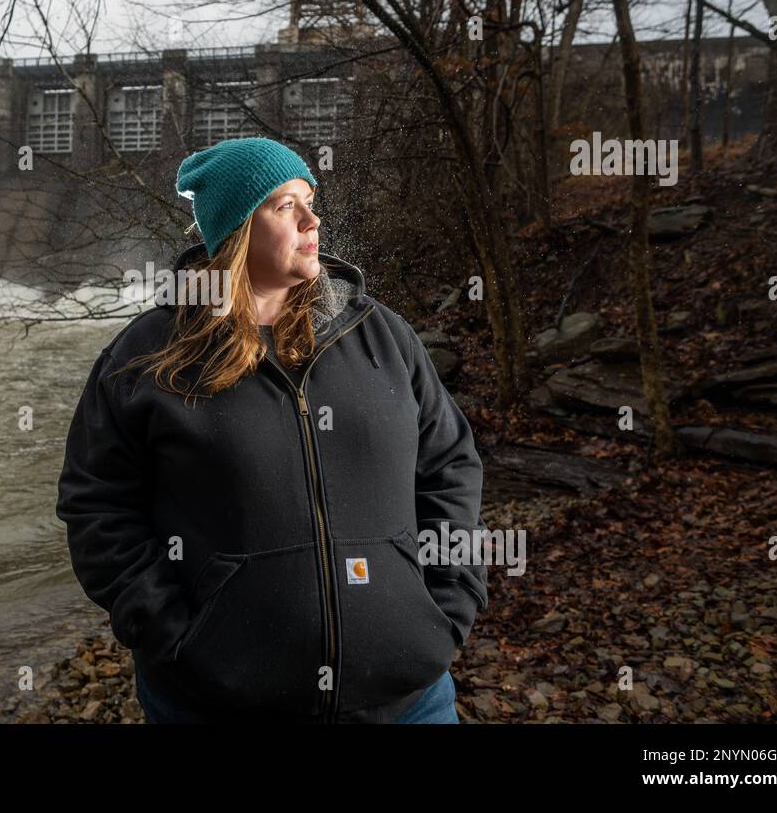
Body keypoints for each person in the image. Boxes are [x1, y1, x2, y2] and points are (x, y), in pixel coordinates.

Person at [56, 136, 487, 724]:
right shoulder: (149, 356)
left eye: (311, 201)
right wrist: (175, 638)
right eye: (286, 205)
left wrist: (449, 607)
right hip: (217, 704)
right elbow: (97, 506)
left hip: (407, 698)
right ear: (237, 230)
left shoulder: (381, 336)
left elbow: (450, 468)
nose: (312, 220)